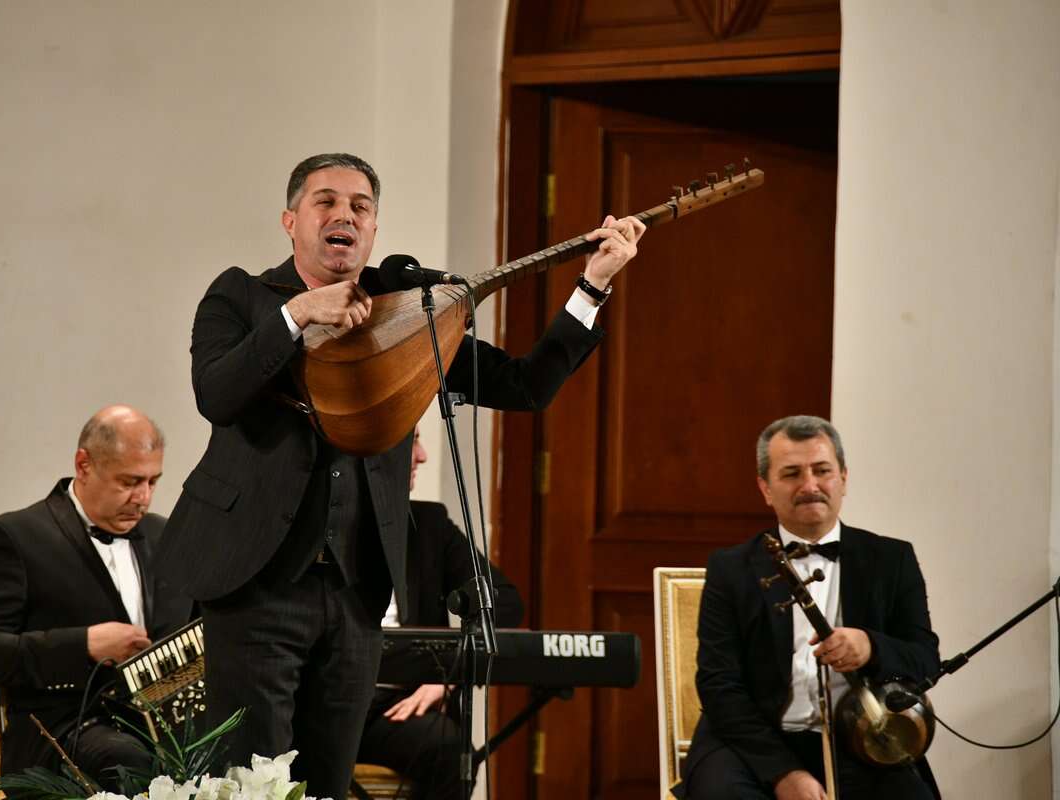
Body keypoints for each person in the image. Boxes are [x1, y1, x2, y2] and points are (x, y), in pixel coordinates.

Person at [154, 152, 644, 799]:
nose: (345, 215)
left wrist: (592, 287)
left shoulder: (408, 317)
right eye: (326, 202)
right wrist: (300, 315)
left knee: (326, 785)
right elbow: (217, 393)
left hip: (356, 591)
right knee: (251, 784)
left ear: (374, 230)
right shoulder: (242, 297)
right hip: (255, 584)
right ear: (290, 220)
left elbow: (525, 385)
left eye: (361, 207)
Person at [676, 415, 940, 800]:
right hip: (751, 742)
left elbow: (925, 660)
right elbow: (719, 685)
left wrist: (870, 646)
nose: (810, 485)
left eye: (822, 470)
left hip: (861, 739)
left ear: (843, 478)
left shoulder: (892, 559)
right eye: (791, 474)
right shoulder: (730, 569)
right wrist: (783, 774)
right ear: (765, 488)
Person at [0, 405, 192, 786]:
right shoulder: (18, 537)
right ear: (84, 465)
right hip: (62, 729)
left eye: (152, 482)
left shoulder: (166, 536)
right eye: (129, 482)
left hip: (158, 725)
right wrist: (84, 645)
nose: (143, 498)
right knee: (129, 761)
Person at [355, 429, 524, 800]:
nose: (422, 455)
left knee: (449, 749)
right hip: (329, 701)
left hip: (396, 709)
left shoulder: (430, 525)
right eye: (411, 441)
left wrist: (447, 675)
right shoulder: (323, 525)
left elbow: (504, 602)